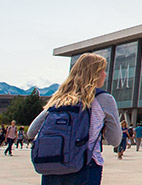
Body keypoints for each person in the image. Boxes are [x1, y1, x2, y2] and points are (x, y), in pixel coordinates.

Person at [27, 53, 121, 185]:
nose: (105, 74)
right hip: (86, 166)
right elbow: (115, 140)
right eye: (102, 71)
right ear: (94, 74)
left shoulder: (59, 99)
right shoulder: (103, 99)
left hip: (53, 165)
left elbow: (31, 131)